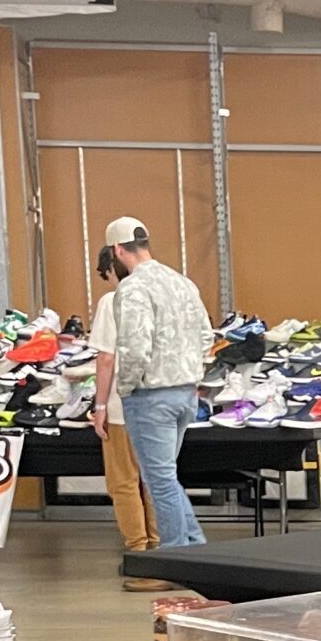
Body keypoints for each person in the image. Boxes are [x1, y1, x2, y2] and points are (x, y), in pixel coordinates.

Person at [90, 215, 213, 561]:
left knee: (159, 482)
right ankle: (197, 551)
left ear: (116, 249)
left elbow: (134, 346)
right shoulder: (182, 283)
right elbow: (207, 336)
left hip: (151, 396)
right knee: (166, 479)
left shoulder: (132, 289)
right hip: (185, 393)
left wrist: (126, 390)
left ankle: (175, 560)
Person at [85, 244, 160, 558]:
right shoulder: (161, 296)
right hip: (160, 403)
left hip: (122, 405)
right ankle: (162, 543)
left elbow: (106, 359)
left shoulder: (112, 301)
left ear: (113, 269)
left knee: (124, 481)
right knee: (157, 480)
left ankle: (138, 549)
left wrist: (99, 406)